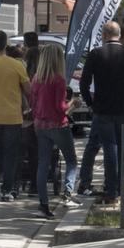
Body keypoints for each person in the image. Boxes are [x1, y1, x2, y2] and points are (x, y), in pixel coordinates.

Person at [79, 22, 124, 200]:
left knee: (109, 149)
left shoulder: (95, 54)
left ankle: (112, 189)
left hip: (103, 110)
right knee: (123, 150)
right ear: (119, 34)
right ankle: (120, 187)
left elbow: (84, 83)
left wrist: (91, 103)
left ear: (104, 35)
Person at [0, 30, 30, 200]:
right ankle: (7, 190)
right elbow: (28, 89)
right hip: (13, 117)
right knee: (11, 154)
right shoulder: (17, 65)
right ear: (6, 43)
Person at [29, 44, 77, 216]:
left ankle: (43, 203)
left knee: (43, 163)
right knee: (71, 160)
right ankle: (68, 193)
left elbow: (32, 104)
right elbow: (60, 107)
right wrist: (73, 103)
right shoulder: (58, 80)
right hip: (58, 125)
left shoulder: (36, 79)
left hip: (40, 125)